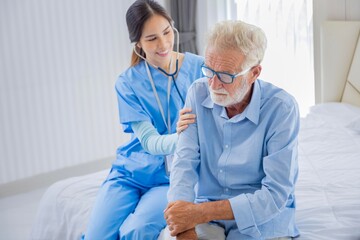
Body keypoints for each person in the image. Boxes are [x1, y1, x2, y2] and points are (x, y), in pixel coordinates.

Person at [161, 20, 300, 240]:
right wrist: (184, 227)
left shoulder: (282, 109)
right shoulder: (198, 93)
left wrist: (197, 213)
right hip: (203, 213)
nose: (214, 85)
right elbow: (183, 164)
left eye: (226, 76)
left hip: (261, 219)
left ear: (254, 73)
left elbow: (275, 195)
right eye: (209, 71)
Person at [82, 0, 203, 239]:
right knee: (97, 235)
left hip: (170, 178)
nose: (163, 43)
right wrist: (183, 137)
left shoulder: (199, 69)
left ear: (173, 28)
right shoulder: (127, 83)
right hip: (129, 173)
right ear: (138, 43)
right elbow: (149, 142)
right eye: (151, 39)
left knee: (135, 231)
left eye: (166, 32)